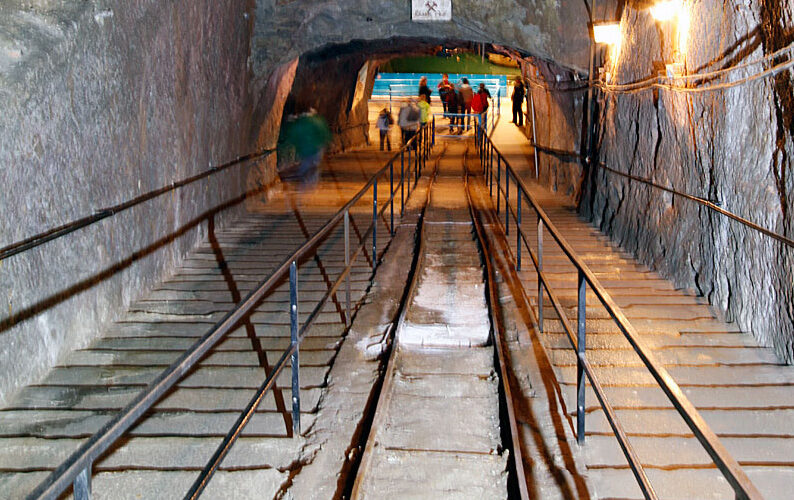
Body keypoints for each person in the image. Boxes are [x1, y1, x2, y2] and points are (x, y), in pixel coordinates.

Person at [280, 109, 331, 188]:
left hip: (305, 150)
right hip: (316, 148)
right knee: (314, 166)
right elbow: (324, 133)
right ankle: (310, 185)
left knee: (305, 166)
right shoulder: (318, 121)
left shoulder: (297, 123)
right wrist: (326, 143)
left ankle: (304, 185)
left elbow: (291, 136)